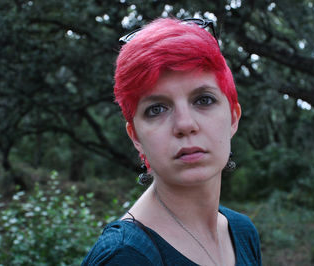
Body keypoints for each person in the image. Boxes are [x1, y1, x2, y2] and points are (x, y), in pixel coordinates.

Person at [82, 17, 262, 266]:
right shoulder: (125, 257)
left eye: (203, 100)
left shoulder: (243, 233)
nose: (185, 124)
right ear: (135, 136)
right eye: (156, 109)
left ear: (233, 118)